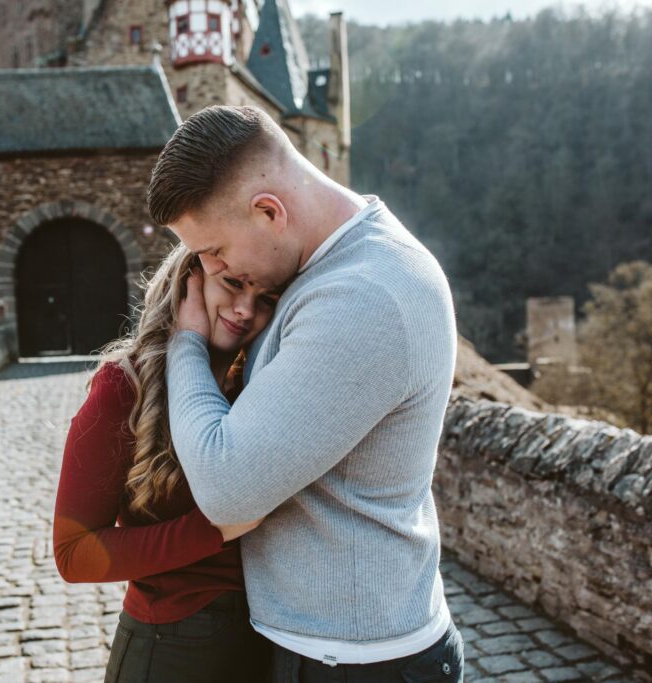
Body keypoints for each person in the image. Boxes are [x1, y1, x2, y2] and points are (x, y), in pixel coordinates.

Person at [149, 104, 465, 682]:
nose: (207, 269)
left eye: (215, 250)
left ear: (269, 211)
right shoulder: (325, 267)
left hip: (357, 661)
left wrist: (186, 342)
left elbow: (227, 486)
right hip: (326, 644)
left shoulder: (365, 296)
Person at [52, 244, 281, 682]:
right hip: (170, 651)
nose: (245, 310)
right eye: (232, 284)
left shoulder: (259, 388)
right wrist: (211, 529)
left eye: (266, 299)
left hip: (265, 647)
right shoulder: (125, 385)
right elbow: (73, 553)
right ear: (190, 281)